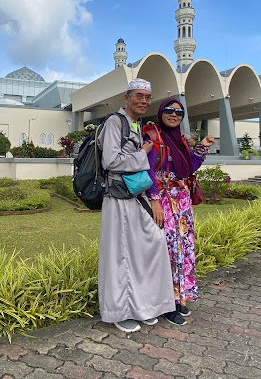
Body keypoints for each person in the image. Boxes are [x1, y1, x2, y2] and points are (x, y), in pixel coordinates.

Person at [97, 79, 175, 333]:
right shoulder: (114, 122)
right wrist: (142, 153)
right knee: (120, 256)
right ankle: (119, 311)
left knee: (149, 245)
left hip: (135, 197)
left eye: (148, 97)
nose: (144, 101)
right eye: (139, 96)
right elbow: (110, 160)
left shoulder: (134, 124)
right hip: (118, 198)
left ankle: (143, 305)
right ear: (126, 97)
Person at [143, 98, 215, 322]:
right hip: (163, 201)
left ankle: (178, 299)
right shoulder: (153, 138)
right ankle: (165, 303)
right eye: (169, 110)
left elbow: (188, 168)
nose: (174, 115)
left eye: (179, 112)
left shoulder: (181, 140)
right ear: (160, 112)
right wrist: (154, 199)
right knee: (167, 251)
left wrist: (202, 147)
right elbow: (147, 170)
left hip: (182, 203)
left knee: (182, 250)